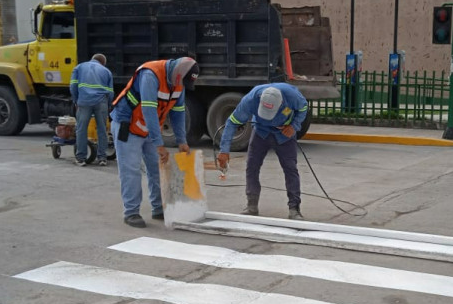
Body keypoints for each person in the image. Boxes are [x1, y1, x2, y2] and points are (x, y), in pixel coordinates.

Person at [110, 57, 199, 228]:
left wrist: (182, 141)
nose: (181, 87)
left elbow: (178, 111)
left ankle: (158, 208)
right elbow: (148, 109)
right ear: (178, 74)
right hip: (127, 125)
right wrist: (159, 144)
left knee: (157, 168)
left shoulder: (179, 82)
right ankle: (131, 212)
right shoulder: (150, 75)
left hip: (149, 128)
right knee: (131, 170)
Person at [217, 83, 308, 220]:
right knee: (252, 166)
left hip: (284, 134)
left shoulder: (292, 96)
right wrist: (224, 150)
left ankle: (294, 208)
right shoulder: (251, 99)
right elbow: (232, 122)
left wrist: (294, 126)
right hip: (261, 132)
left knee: (290, 169)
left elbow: (303, 108)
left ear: (282, 102)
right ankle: (251, 205)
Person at [70, 53, 114, 166]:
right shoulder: (106, 71)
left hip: (84, 101)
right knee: (102, 130)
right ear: (103, 62)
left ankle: (81, 158)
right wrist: (108, 105)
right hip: (101, 102)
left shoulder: (79, 67)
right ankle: (102, 158)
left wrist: (76, 100)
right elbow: (110, 92)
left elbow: (73, 86)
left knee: (81, 129)